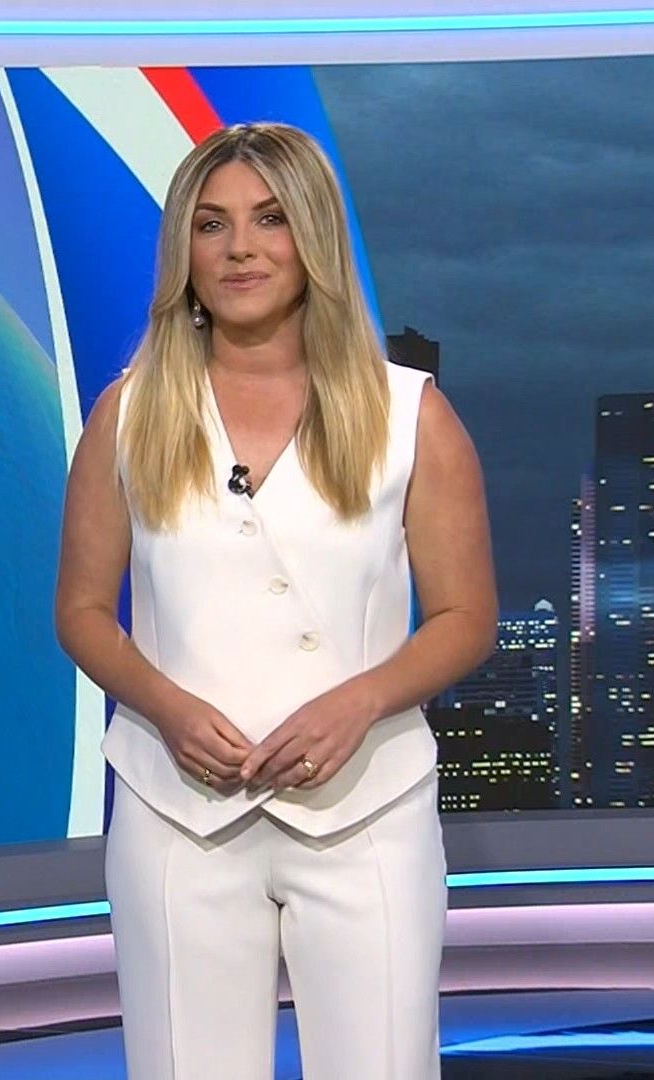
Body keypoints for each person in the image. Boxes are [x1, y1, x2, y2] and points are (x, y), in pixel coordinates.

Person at [53, 122, 498, 1080]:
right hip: (178, 815)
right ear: (185, 250)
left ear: (313, 238)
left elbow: (466, 617)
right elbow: (82, 610)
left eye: (270, 220)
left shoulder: (410, 414)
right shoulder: (128, 413)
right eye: (212, 225)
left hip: (366, 809)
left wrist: (359, 702)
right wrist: (168, 709)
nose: (240, 249)